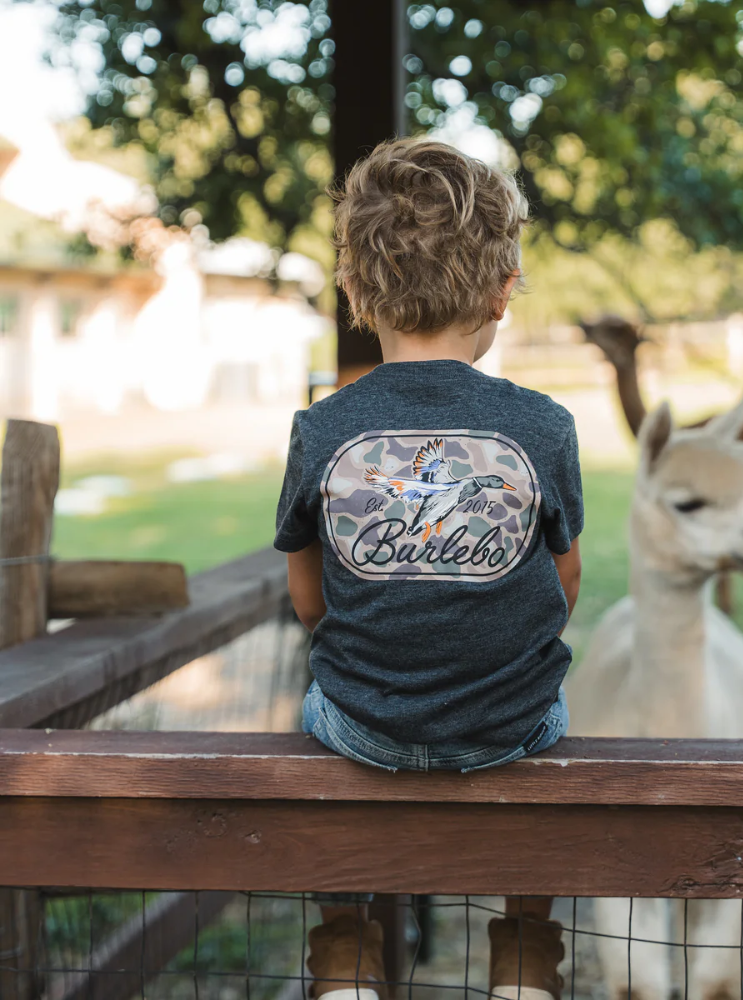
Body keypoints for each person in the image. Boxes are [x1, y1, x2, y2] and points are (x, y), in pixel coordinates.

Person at [275, 138, 583, 1000]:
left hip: (360, 729)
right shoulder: (544, 426)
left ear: (355, 293)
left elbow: (309, 604)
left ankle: (345, 946)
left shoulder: (321, 430)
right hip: (509, 730)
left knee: (316, 700)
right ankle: (524, 948)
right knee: (554, 699)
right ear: (501, 291)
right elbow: (561, 588)